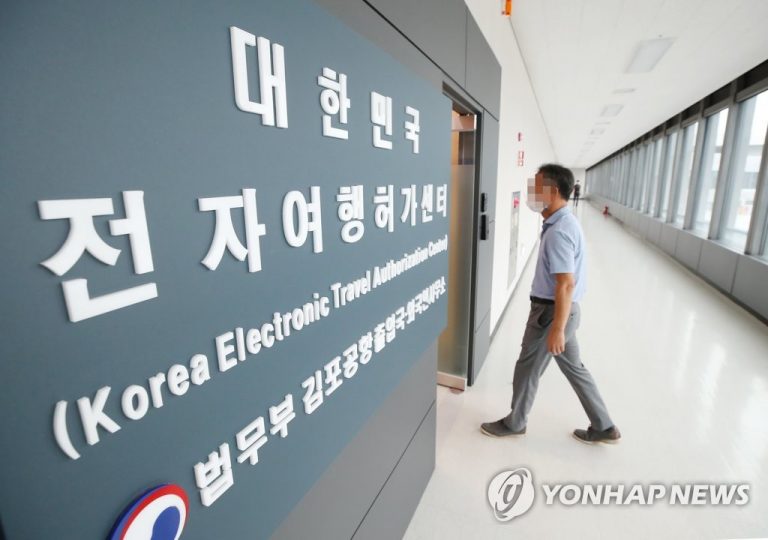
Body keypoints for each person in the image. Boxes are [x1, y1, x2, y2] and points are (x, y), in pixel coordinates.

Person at [480, 164, 620, 445]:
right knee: (575, 368)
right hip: (564, 312)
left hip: (551, 313)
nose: (531, 193)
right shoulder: (563, 223)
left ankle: (515, 423)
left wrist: (557, 327)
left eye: (536, 187)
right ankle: (604, 426)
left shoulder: (559, 232)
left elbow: (565, 283)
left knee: (528, 368)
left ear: (553, 191)